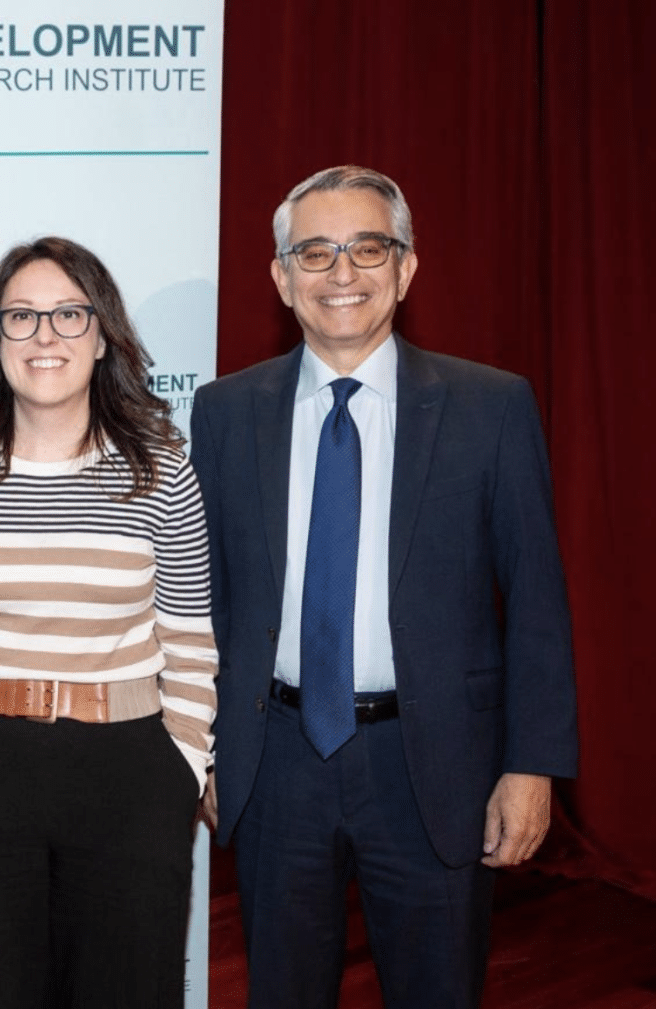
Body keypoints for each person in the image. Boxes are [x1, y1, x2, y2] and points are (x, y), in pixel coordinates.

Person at [190, 165, 577, 1008]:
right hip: (274, 756)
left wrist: (531, 765)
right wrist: (202, 747)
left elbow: (538, 599)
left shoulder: (491, 407)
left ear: (405, 268)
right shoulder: (225, 413)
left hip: (433, 760)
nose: (342, 274)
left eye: (367, 248)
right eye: (316, 253)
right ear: (280, 277)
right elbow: (201, 596)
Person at [0, 237, 216, 1009]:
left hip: (133, 773)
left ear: (103, 336)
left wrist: (183, 762)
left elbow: (192, 640)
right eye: (22, 317)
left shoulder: (161, 469)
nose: (46, 336)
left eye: (70, 315)